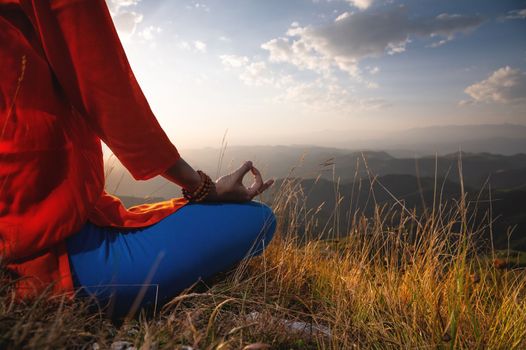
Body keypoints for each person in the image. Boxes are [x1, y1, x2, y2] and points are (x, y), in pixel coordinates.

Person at [0, 0, 276, 317]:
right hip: (43, 244)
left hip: (25, 219)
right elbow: (106, 89)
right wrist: (203, 188)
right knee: (258, 220)